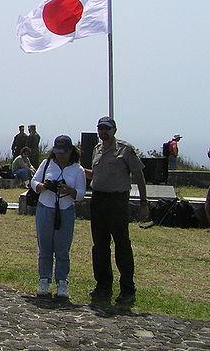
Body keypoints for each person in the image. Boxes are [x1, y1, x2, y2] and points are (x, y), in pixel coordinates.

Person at [86, 116, 149, 307]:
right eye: (100, 128)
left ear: (114, 130)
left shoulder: (125, 149)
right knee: (100, 246)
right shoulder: (96, 150)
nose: (103, 131)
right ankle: (103, 286)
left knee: (122, 245)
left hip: (117, 201)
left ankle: (127, 289)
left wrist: (143, 203)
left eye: (107, 128)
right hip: (98, 200)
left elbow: (138, 174)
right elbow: (96, 174)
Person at [30, 135, 86, 299]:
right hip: (45, 208)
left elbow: (81, 194)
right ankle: (44, 280)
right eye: (57, 152)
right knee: (45, 247)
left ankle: (62, 282)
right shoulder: (47, 164)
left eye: (63, 152)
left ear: (70, 151)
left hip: (65, 209)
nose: (60, 155)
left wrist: (70, 191)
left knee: (62, 248)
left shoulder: (77, 169)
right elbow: (34, 181)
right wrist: (42, 186)